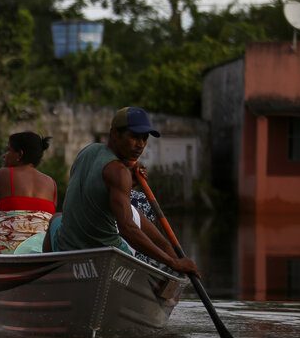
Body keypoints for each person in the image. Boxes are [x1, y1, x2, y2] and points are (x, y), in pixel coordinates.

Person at [44, 106, 199, 276]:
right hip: (106, 252)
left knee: (56, 220)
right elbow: (127, 229)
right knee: (137, 217)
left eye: (144, 138)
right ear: (115, 134)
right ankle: (173, 257)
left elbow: (98, 188)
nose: (140, 145)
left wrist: (128, 177)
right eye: (134, 137)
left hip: (67, 247)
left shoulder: (88, 151)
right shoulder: (119, 172)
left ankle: (47, 274)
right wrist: (172, 263)